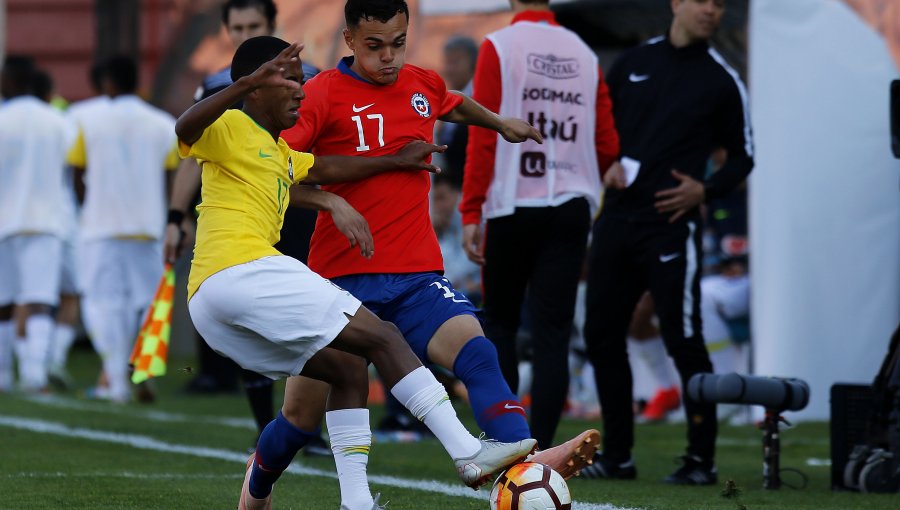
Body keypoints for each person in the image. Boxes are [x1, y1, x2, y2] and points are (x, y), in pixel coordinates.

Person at [175, 36, 537, 510]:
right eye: (290, 80)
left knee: (347, 370)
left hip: (211, 306)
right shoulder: (229, 126)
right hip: (240, 271)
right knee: (385, 337)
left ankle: (356, 502)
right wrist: (245, 82)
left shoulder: (281, 153)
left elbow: (325, 165)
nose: (302, 91)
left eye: (303, 80)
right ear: (258, 86)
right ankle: (469, 452)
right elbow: (184, 126)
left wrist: (392, 160)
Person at [278, 0, 599, 499]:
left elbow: (451, 100)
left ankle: (524, 456)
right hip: (338, 279)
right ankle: (258, 483)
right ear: (348, 41)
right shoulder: (320, 95)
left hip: (415, 274)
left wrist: (498, 123)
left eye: (398, 43)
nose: (388, 57)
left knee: (478, 352)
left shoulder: (421, 84)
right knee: (298, 421)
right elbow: (279, 174)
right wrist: (332, 205)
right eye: (374, 46)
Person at [580, 0, 754, 485]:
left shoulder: (722, 79)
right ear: (676, 3)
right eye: (704, 1)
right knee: (601, 333)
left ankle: (701, 460)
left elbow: (744, 156)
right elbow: (601, 128)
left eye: (720, 5)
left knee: (683, 337)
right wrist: (606, 159)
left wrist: (707, 189)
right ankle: (618, 456)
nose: (712, 11)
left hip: (672, 228)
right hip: (616, 219)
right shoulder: (634, 62)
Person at [168, 0, 330, 455]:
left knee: (311, 319)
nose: (244, 33)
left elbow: (320, 147)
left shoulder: (312, 76)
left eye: (252, 26)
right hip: (241, 217)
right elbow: (191, 152)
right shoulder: (218, 85)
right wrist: (176, 216)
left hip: (295, 209)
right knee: (257, 323)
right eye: (236, 27)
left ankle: (305, 428)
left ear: (271, 28)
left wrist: (331, 197)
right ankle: (268, 426)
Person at [460, 0, 620, 450]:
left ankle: (508, 442)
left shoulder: (500, 45)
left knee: (502, 326)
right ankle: (545, 449)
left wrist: (471, 210)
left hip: (512, 203)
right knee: (553, 333)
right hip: (570, 204)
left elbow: (482, 132)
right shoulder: (583, 53)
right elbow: (606, 141)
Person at [67, 55, 179, 404]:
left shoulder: (83, 117)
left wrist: (89, 207)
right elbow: (169, 179)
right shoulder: (163, 123)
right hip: (148, 226)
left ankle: (114, 379)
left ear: (107, 83)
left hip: (100, 227)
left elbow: (77, 175)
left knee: (102, 303)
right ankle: (140, 369)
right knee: (147, 305)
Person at [0, 56, 74, 393]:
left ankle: (4, 375)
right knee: (40, 300)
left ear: (9, 81)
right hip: (46, 221)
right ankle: (35, 375)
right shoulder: (58, 121)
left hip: (4, 222)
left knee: (4, 302)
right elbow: (73, 169)